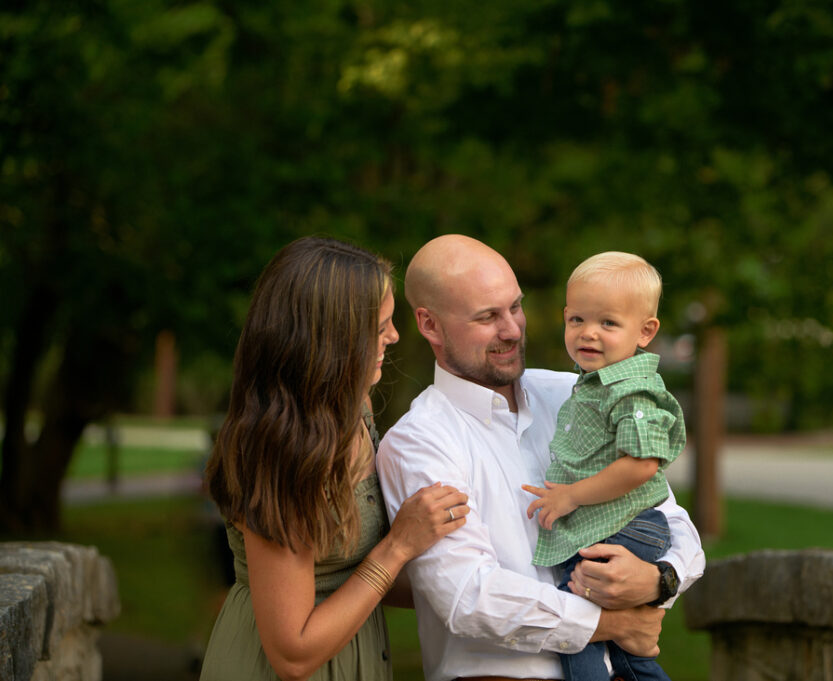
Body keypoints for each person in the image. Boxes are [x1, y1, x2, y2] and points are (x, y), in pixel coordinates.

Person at [376, 235, 704, 681]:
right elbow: (468, 597)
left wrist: (657, 581)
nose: (511, 329)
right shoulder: (421, 442)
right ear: (429, 324)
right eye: (487, 317)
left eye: (515, 307)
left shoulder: (579, 394)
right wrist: (612, 623)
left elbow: (671, 520)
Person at [200, 236, 469, 681]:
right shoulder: (279, 453)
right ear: (332, 338)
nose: (395, 336)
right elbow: (293, 654)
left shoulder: (355, 414)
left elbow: (355, 577)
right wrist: (399, 544)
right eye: (379, 325)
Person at [522, 252, 684, 681]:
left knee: (575, 615)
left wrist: (571, 495)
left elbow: (642, 465)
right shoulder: (594, 382)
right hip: (623, 523)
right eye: (577, 320)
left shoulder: (631, 391)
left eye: (608, 324)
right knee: (631, 654)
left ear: (645, 332)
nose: (588, 333)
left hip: (628, 527)